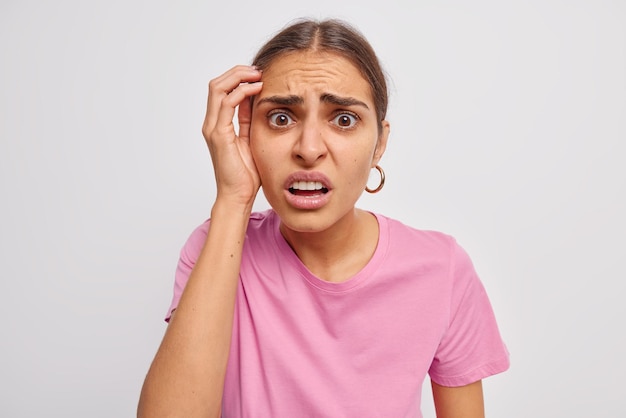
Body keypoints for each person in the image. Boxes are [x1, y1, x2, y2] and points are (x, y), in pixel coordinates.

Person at [137, 17, 509, 418]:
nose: (309, 149)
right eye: (281, 118)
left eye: (343, 119)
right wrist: (233, 199)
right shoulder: (216, 247)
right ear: (248, 134)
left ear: (379, 143)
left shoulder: (441, 268)